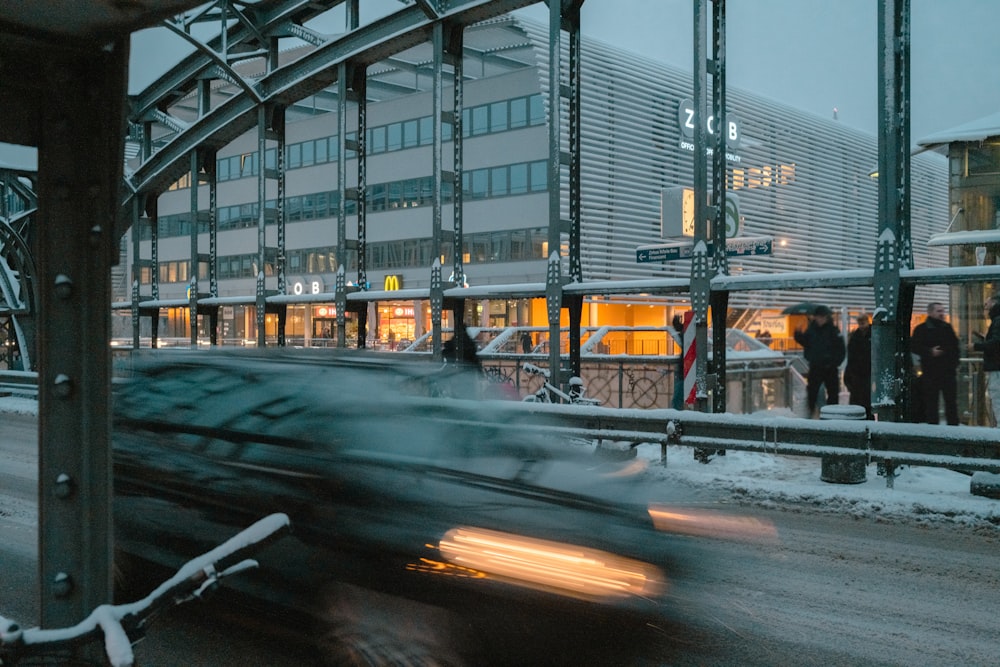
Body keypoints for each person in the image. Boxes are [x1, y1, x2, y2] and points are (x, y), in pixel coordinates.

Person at [911, 302, 960, 425]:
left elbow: (955, 348)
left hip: (947, 372)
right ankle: (934, 429)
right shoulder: (921, 329)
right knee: (931, 404)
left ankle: (953, 429)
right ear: (930, 312)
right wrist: (929, 352)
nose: (942, 313)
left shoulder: (947, 328)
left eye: (942, 311)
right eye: (939, 311)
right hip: (931, 373)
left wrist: (954, 364)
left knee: (951, 403)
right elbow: (914, 346)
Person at [793, 304, 845, 418]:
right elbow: (806, 342)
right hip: (815, 366)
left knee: (832, 393)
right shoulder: (812, 330)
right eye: (818, 317)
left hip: (830, 368)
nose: (820, 319)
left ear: (826, 318)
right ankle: (811, 414)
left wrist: (834, 362)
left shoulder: (833, 331)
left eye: (822, 317)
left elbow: (841, 349)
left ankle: (832, 416)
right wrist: (797, 334)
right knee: (812, 392)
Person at [974, 295, 1000, 426]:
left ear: (995, 303)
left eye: (987, 303)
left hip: (997, 367)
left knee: (997, 397)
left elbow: (996, 343)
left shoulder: (997, 320)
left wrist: (976, 346)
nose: (985, 306)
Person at [843, 314, 872, 418]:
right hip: (859, 373)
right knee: (860, 400)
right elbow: (851, 357)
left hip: (867, 372)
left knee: (864, 401)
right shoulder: (855, 336)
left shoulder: (856, 336)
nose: (862, 324)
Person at [670, 314, 686, 410]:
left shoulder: (686, 335)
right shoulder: (692, 334)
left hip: (684, 369)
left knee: (678, 397)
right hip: (686, 369)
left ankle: (676, 413)